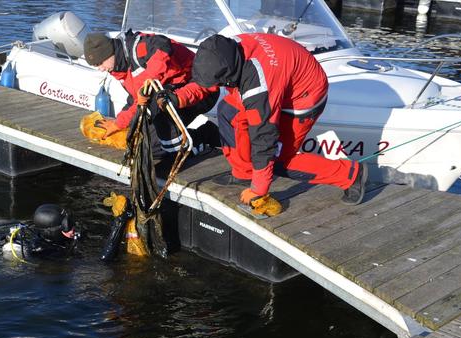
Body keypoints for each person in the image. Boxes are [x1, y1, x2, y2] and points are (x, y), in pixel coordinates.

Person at [191, 33, 368, 211]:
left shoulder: (258, 87)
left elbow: (264, 139)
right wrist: (177, 98)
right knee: (229, 111)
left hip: (303, 98)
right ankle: (244, 173)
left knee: (277, 160)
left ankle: (351, 174)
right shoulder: (227, 48)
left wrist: (259, 191)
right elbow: (205, 80)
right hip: (280, 80)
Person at [83, 30, 220, 157]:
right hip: (166, 99)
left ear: (109, 52)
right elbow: (136, 98)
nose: (100, 69)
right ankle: (181, 141)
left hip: (197, 92)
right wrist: (119, 122)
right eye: (96, 66)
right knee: (138, 141)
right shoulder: (119, 69)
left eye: (100, 63)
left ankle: (205, 136)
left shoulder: (139, 48)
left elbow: (162, 45)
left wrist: (150, 79)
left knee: (154, 145)